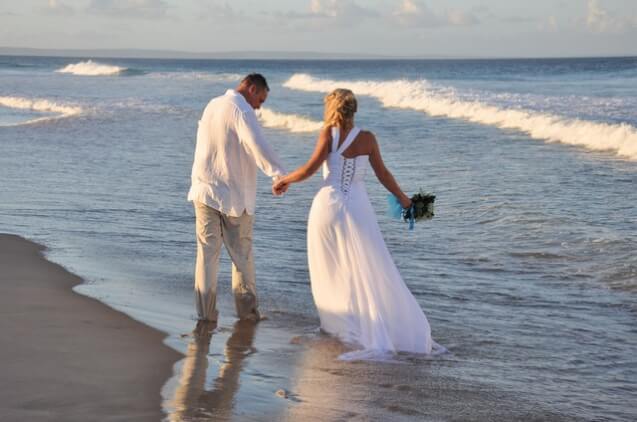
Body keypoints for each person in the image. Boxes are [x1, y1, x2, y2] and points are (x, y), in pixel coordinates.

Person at [273, 88, 443, 359]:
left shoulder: (328, 133)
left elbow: (309, 169)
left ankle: (342, 325)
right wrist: (405, 200)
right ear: (355, 109)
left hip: (328, 206)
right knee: (370, 264)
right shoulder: (368, 138)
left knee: (332, 267)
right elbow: (383, 174)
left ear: (331, 108)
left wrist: (284, 180)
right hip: (358, 207)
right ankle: (374, 324)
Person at [188, 73, 286, 323]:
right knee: (242, 257)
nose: (259, 107)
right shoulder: (241, 109)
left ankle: (205, 315)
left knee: (207, 256)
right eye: (260, 100)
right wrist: (278, 175)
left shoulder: (213, 104)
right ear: (251, 89)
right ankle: (247, 314)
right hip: (233, 195)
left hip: (203, 188)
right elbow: (257, 144)